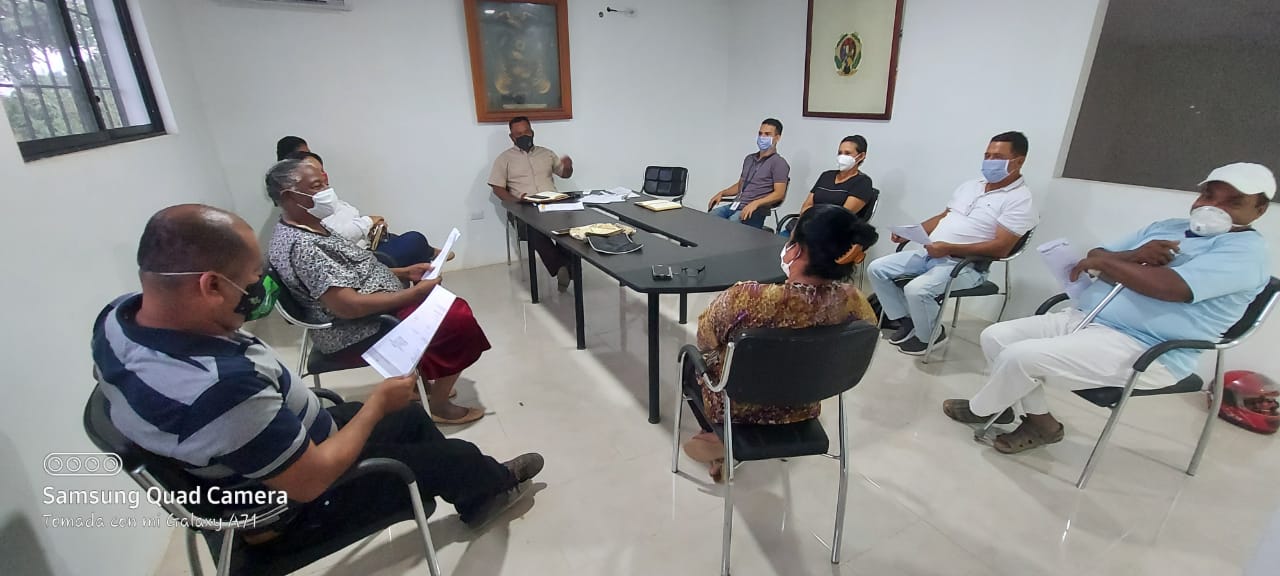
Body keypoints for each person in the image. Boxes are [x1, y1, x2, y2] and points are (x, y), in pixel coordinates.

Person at [91, 204, 543, 551]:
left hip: (279, 446)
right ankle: (485, 483)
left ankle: (471, 485)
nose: (259, 290)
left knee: (411, 420)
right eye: (252, 280)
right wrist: (376, 406)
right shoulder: (220, 388)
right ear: (211, 286)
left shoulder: (117, 317)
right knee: (447, 451)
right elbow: (310, 481)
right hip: (291, 506)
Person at [943, 162, 1273, 454]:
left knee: (1021, 357)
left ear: (1259, 210)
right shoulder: (1167, 228)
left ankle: (984, 407)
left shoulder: (1245, 253)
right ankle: (1039, 422)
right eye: (1208, 195)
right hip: (1090, 318)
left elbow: (1168, 287)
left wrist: (1108, 265)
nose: (1213, 207)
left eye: (1233, 202)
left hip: (1148, 347)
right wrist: (1132, 257)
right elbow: (1097, 254)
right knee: (996, 336)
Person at [266, 159, 487, 425]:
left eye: (325, 183)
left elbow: (351, 272)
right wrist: (413, 295)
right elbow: (347, 306)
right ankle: (439, 406)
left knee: (440, 304)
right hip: (355, 329)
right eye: (316, 186)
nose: (327, 191)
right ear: (289, 196)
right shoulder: (304, 247)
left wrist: (404, 273)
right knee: (456, 317)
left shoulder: (308, 225)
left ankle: (424, 385)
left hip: (370, 312)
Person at [681, 205, 880, 481]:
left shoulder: (747, 298)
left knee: (690, 362)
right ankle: (723, 441)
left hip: (737, 401)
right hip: (803, 402)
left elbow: (705, 341)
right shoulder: (854, 302)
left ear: (797, 251)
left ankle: (720, 437)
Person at [868, 131, 1038, 355]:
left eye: (997, 157)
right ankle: (907, 320)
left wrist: (949, 248)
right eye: (987, 155)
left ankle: (931, 335)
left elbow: (1002, 248)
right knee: (877, 269)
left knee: (917, 290)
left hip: (966, 266)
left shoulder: (1020, 200)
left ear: (1018, 161)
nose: (989, 162)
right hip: (930, 254)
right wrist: (913, 232)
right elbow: (944, 216)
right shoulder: (971, 186)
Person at [284, 150, 448, 267]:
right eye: (316, 179)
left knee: (408, 244)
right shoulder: (308, 217)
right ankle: (429, 262)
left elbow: (345, 221)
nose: (323, 178)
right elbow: (337, 237)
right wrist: (369, 221)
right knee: (415, 240)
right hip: (361, 258)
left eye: (322, 171)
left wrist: (371, 226)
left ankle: (428, 272)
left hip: (366, 245)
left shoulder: (323, 199)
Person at [488, 116, 576, 291]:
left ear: (532, 132)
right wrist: (515, 201)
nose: (523, 136)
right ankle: (562, 268)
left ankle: (567, 269)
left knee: (570, 225)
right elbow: (497, 188)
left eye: (526, 132)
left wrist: (568, 167)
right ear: (512, 137)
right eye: (518, 134)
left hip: (552, 204)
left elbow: (565, 174)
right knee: (534, 230)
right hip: (524, 208)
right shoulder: (504, 159)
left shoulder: (547, 154)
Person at [780, 135, 876, 238]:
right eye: (840, 153)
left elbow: (841, 215)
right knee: (779, 241)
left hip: (832, 234)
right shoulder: (826, 176)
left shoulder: (863, 182)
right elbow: (806, 206)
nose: (842, 157)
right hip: (808, 227)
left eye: (847, 153)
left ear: (861, 156)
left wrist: (814, 220)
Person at [707, 118, 790, 229]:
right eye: (760, 133)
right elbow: (740, 185)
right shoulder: (749, 159)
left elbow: (779, 194)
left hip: (756, 210)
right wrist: (722, 193)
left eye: (767, 134)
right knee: (711, 217)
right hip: (737, 205)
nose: (762, 137)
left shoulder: (779, 163)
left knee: (731, 223)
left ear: (777, 137)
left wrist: (756, 203)